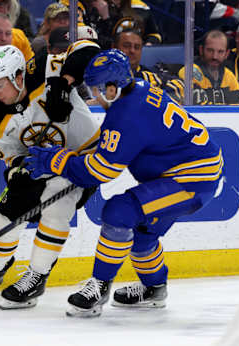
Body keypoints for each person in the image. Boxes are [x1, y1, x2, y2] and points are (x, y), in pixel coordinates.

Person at [24, 49, 224, 317]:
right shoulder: (137, 89)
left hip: (192, 179)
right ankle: (154, 289)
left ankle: (99, 286)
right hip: (192, 170)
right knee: (143, 233)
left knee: (120, 211)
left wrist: (57, 161)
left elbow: (100, 171)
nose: (93, 96)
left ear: (111, 87)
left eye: (96, 89)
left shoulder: (125, 114)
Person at [0, 41, 101, 310]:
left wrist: (63, 84)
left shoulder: (45, 70)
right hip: (46, 166)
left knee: (57, 202)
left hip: (85, 160)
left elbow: (89, 47)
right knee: (8, 210)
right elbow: (12, 157)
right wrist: (17, 170)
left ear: (18, 76)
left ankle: (37, 276)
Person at [178, 30, 239, 105]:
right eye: (210, 50)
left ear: (227, 54)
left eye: (220, 52)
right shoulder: (189, 72)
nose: (215, 56)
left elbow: (237, 106)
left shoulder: (229, 76)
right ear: (201, 50)